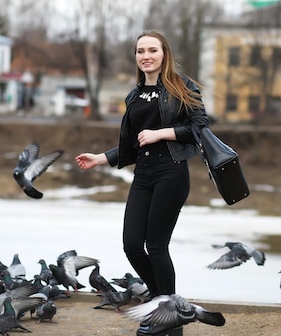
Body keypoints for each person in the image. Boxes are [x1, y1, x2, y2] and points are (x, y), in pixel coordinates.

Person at [76, 30, 208, 336]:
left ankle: (170, 320)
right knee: (132, 245)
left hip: (172, 172)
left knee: (157, 246)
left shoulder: (183, 87)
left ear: (165, 54)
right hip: (144, 175)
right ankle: (163, 304)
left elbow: (199, 127)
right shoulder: (134, 95)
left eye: (152, 50)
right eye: (140, 51)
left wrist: (162, 133)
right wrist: (101, 158)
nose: (145, 56)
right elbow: (133, 147)